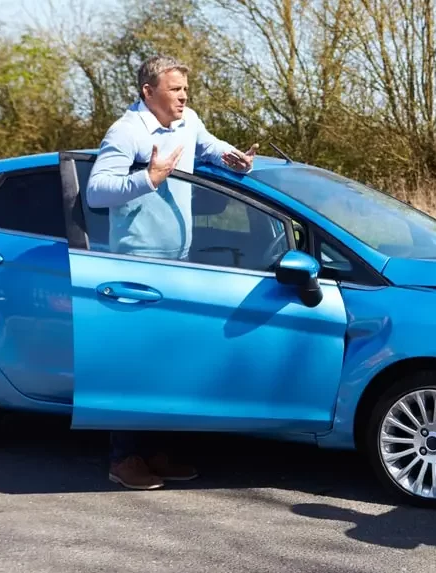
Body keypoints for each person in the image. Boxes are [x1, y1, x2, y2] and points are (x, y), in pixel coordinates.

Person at [86, 54, 258, 490]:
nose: (184, 96)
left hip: (178, 262)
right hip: (135, 265)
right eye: (175, 89)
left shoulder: (189, 120)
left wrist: (231, 157)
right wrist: (149, 177)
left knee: (167, 360)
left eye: (185, 88)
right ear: (149, 92)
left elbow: (207, 145)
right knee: (133, 363)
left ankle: (157, 452)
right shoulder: (126, 132)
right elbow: (96, 191)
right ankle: (123, 458)